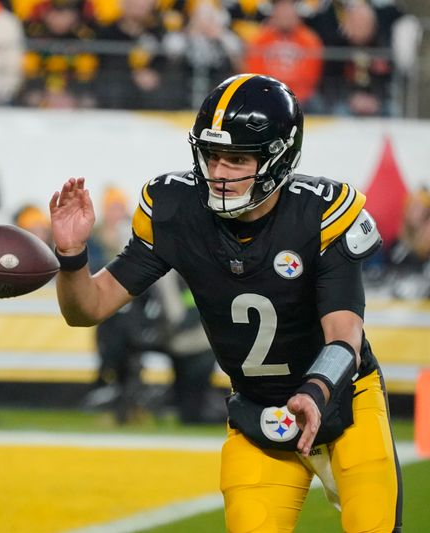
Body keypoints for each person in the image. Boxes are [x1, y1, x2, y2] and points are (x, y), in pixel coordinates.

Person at [49, 74, 401, 531]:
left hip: (342, 401)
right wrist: (72, 256)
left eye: (237, 159)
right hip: (258, 414)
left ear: (280, 156)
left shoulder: (318, 213)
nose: (219, 173)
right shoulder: (177, 209)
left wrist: (315, 391)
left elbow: (345, 336)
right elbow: (87, 309)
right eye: (213, 156)